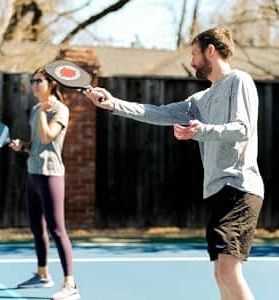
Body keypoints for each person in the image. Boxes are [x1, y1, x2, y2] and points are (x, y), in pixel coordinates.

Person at [84, 26, 264, 300]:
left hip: (240, 187)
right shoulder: (200, 99)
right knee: (221, 275)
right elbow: (158, 113)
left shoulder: (240, 81)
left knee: (228, 272)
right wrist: (113, 104)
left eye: (194, 54)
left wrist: (200, 130)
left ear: (211, 51)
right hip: (218, 190)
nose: (192, 62)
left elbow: (243, 128)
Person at [9, 66, 80, 300]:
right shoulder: (35, 109)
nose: (34, 84)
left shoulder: (61, 110)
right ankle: (42, 275)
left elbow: (49, 137)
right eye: (32, 80)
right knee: (37, 229)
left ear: (52, 84)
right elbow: (38, 142)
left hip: (51, 175)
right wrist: (24, 145)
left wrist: (41, 113)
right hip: (33, 174)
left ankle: (70, 285)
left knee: (57, 230)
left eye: (39, 80)